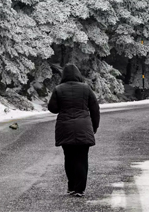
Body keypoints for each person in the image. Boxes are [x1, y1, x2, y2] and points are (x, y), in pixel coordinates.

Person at [47, 64, 101, 198]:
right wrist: (94, 127)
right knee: (82, 159)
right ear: (78, 74)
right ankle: (80, 189)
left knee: (69, 158)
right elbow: (95, 109)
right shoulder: (86, 88)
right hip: (84, 126)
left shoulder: (58, 89)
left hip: (65, 128)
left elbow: (52, 108)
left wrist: (62, 105)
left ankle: (71, 186)